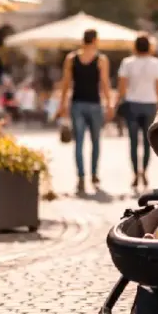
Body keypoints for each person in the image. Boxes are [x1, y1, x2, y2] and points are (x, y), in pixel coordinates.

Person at [57, 29, 114, 193]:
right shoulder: (101, 59)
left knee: (79, 142)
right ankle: (94, 174)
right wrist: (109, 103)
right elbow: (104, 83)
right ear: (95, 40)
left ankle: (81, 177)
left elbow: (66, 83)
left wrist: (62, 105)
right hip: (95, 104)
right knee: (96, 142)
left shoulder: (71, 58)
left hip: (77, 104)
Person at [117, 35, 158, 189]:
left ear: (135, 47)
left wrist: (118, 102)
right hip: (150, 104)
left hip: (132, 104)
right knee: (147, 142)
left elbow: (122, 88)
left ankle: (134, 173)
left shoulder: (127, 63)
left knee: (133, 142)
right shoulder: (156, 63)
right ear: (149, 47)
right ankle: (144, 171)